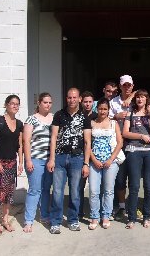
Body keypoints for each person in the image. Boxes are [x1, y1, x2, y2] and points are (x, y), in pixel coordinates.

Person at [47, 88, 92, 234]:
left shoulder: (85, 117)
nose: (72, 100)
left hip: (77, 158)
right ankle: (55, 222)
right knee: (58, 191)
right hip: (60, 157)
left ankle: (73, 220)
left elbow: (87, 141)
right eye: (69, 97)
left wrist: (86, 163)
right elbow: (53, 137)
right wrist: (52, 159)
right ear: (66, 98)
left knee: (75, 192)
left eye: (74, 97)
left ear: (79, 99)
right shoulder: (59, 115)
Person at [0, 95, 23, 233]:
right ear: (6, 105)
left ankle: (5, 220)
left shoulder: (19, 124)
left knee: (8, 193)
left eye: (17, 104)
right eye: (12, 103)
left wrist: (20, 162)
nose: (15, 106)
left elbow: (19, 144)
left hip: (11, 163)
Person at [123, 89, 150, 229]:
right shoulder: (130, 113)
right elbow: (125, 132)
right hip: (134, 151)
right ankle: (131, 217)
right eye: (137, 97)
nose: (140, 99)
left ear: (146, 99)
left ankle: (146, 216)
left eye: (143, 97)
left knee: (149, 186)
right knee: (134, 186)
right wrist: (140, 136)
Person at [88, 98, 123, 230]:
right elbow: (87, 143)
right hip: (94, 162)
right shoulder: (91, 123)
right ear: (97, 109)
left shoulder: (114, 124)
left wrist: (110, 159)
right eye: (100, 109)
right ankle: (94, 216)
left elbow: (120, 143)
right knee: (94, 191)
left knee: (108, 191)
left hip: (111, 162)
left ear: (108, 110)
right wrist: (93, 159)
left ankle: (106, 216)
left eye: (105, 109)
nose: (102, 111)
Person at [22, 92, 53, 233]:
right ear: (39, 103)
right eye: (45, 102)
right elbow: (26, 141)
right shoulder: (31, 120)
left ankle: (45, 216)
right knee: (35, 190)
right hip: (35, 159)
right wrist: (28, 160)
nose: (48, 105)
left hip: (50, 160)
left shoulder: (54, 119)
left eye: (50, 102)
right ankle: (28, 221)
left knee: (46, 190)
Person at [109, 75, 135, 219]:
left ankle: (132, 205)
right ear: (120, 86)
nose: (127, 87)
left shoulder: (137, 100)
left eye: (129, 85)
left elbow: (146, 99)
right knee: (119, 178)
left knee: (133, 177)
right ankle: (121, 206)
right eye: (124, 85)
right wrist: (116, 116)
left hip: (133, 143)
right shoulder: (113, 102)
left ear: (132, 86)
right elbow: (105, 118)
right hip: (118, 142)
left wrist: (132, 97)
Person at [79, 91, 97, 218]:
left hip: (96, 155)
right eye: (85, 101)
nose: (87, 104)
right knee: (80, 185)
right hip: (82, 154)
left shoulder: (98, 116)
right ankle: (79, 210)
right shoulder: (78, 116)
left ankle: (96, 211)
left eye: (90, 102)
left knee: (96, 187)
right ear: (81, 101)